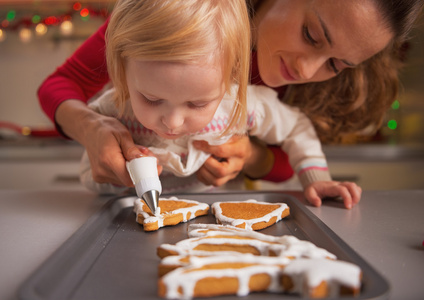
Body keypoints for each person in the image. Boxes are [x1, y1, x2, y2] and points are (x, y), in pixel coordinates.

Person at [38, 0, 423, 208]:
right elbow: (60, 84)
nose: (306, 69)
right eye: (310, 34)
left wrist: (252, 156)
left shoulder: (250, 102)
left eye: (336, 64)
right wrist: (92, 128)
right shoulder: (168, 17)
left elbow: (291, 139)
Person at [80, 0, 340, 203]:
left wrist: (316, 180)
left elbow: (296, 127)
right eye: (151, 98)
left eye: (197, 104)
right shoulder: (112, 110)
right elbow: (89, 177)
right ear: (122, 73)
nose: (173, 121)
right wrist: (122, 174)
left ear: (230, 76)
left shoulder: (238, 106)